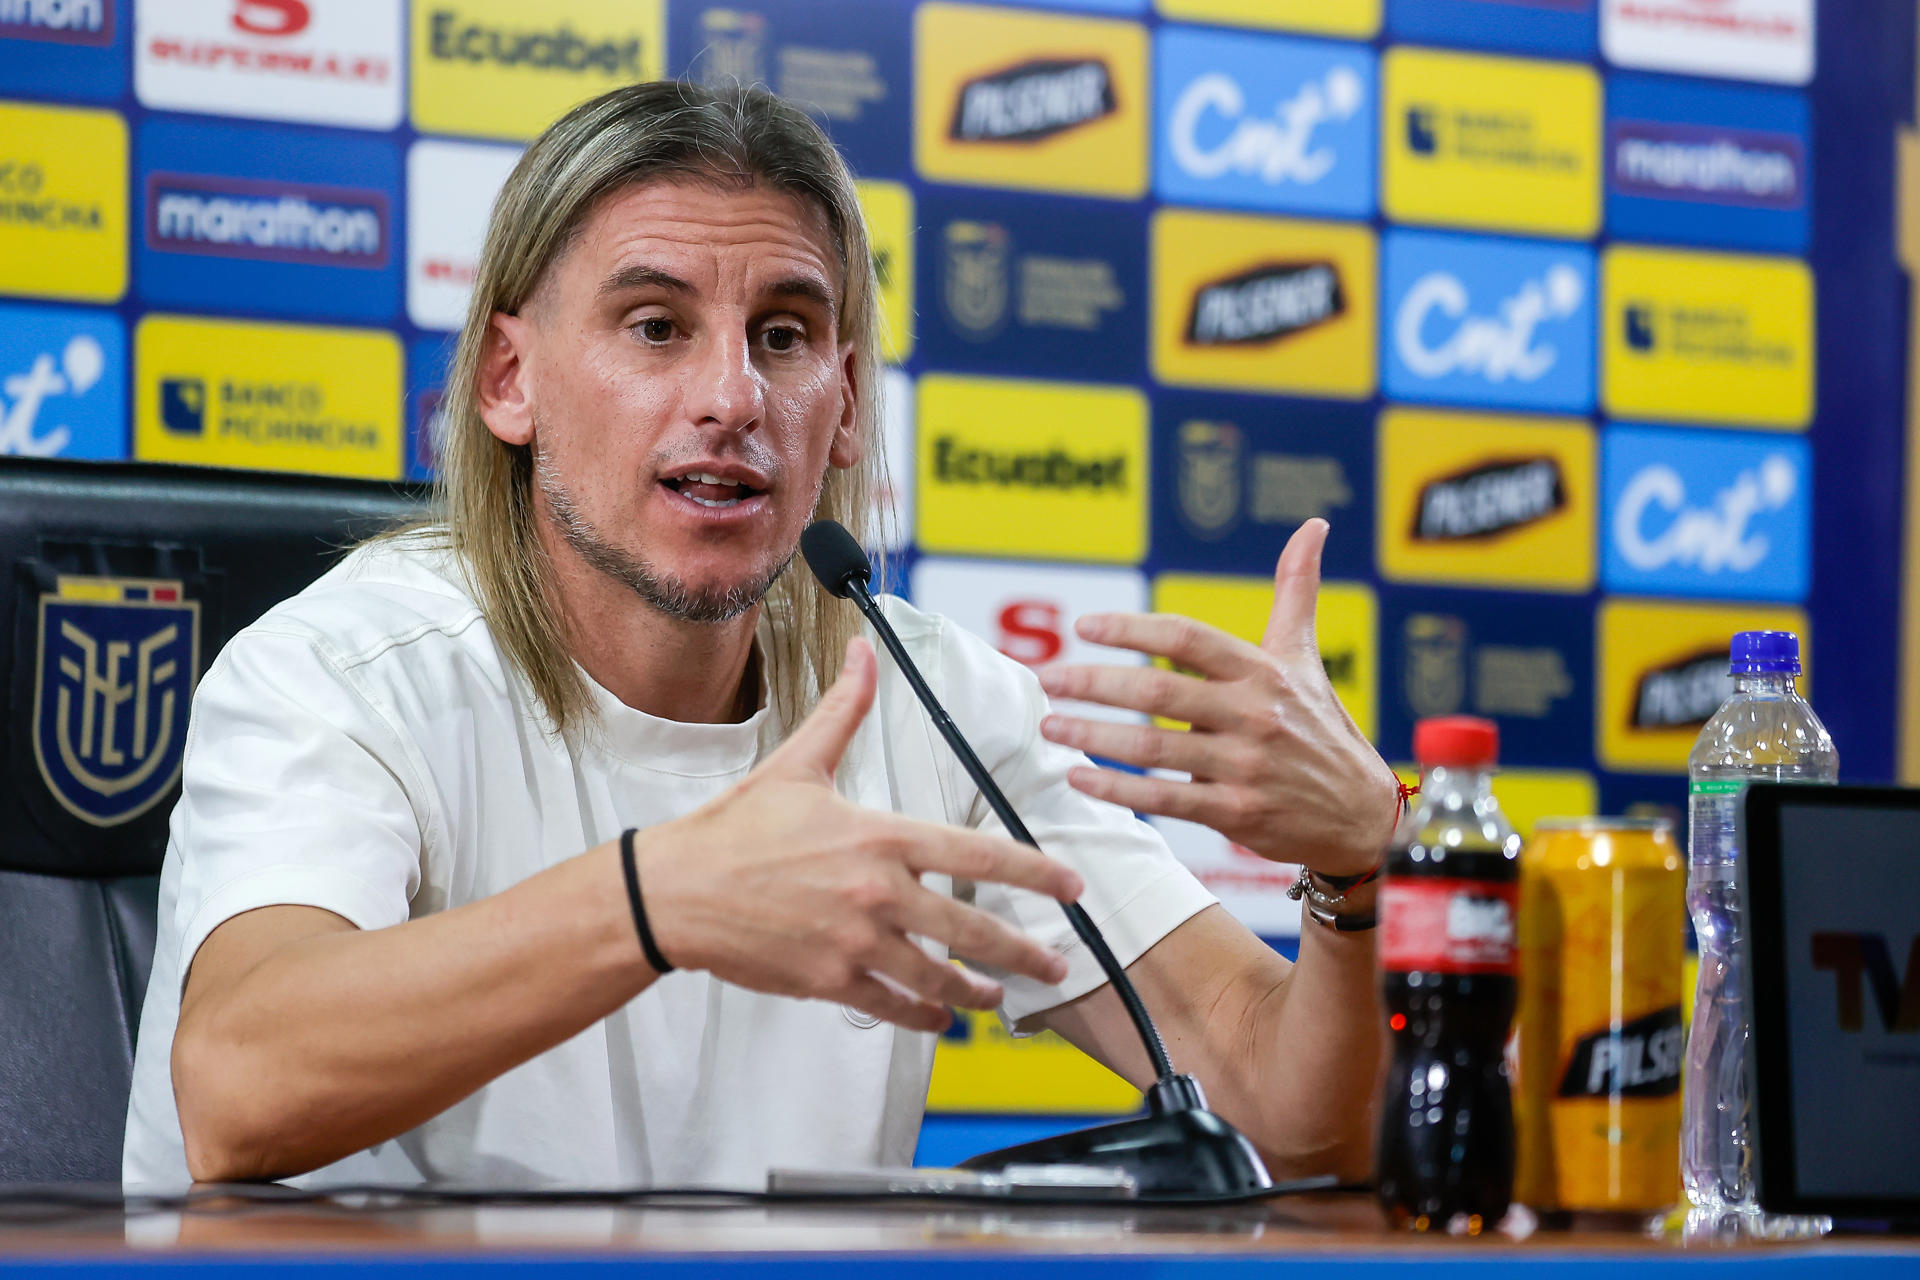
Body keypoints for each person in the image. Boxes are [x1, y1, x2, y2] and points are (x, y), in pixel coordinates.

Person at [123, 82, 1400, 1191]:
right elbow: (236, 1089)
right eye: (656, 325)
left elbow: (1289, 1120)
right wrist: (658, 897)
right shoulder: (348, 669)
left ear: (841, 405)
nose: (732, 396)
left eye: (783, 335)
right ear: (509, 381)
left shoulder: (929, 695)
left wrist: (1357, 873)